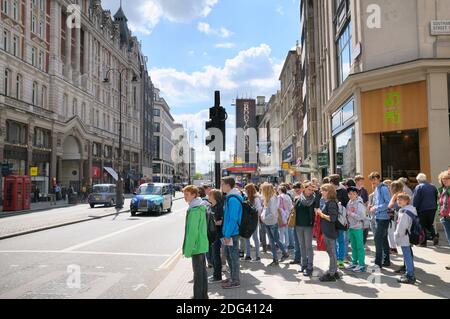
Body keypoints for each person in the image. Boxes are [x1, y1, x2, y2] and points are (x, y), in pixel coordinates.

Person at [182, 185, 209, 299]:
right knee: (202, 272)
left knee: (198, 274)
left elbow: (192, 233)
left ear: (194, 195)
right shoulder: (201, 206)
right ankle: (204, 295)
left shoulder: (194, 210)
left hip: (196, 246)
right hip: (202, 244)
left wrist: (187, 251)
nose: (184, 197)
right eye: (184, 194)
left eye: (187, 194)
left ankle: (198, 297)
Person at [221, 177, 243, 289]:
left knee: (233, 257)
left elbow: (233, 218)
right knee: (229, 256)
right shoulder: (230, 197)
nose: (221, 186)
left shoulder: (232, 199)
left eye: (222, 184)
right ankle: (233, 277)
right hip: (231, 232)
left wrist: (227, 234)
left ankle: (235, 280)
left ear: (228, 185)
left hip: (232, 233)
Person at [260, 182, 289, 266]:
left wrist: (263, 218)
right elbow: (266, 210)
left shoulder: (272, 198)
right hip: (268, 222)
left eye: (263, 189)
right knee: (273, 241)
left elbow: (273, 212)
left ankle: (282, 254)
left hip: (272, 222)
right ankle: (276, 258)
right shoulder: (268, 198)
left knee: (275, 240)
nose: (261, 191)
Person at [316, 183, 339, 282]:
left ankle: (332, 273)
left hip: (330, 231)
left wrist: (321, 214)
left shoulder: (332, 203)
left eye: (323, 190)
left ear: (328, 192)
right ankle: (334, 271)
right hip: (328, 230)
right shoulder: (328, 202)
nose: (321, 192)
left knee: (331, 252)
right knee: (331, 251)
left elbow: (332, 218)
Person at [368, 172, 392, 269]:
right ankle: (386, 260)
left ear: (378, 178)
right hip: (379, 217)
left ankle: (378, 263)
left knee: (378, 239)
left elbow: (388, 203)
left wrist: (376, 208)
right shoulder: (377, 188)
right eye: (372, 180)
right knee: (383, 239)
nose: (373, 181)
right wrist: (373, 207)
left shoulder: (383, 188)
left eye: (374, 179)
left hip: (383, 218)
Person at [394, 193, 417, 284]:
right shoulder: (410, 209)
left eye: (401, 199)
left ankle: (410, 275)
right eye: (398, 199)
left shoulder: (404, 212)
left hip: (404, 236)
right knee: (408, 255)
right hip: (409, 235)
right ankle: (409, 272)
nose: (399, 201)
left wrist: (396, 236)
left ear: (407, 201)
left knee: (407, 255)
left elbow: (401, 227)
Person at [295, 182, 316, 276]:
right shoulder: (298, 198)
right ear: (304, 189)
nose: (311, 191)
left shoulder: (314, 199)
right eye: (309, 189)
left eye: (312, 190)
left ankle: (310, 267)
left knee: (309, 247)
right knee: (301, 246)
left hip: (309, 225)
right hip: (298, 225)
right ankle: (303, 265)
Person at [413, 173, 439, 247]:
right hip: (432, 208)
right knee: (429, 224)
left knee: (422, 225)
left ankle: (423, 242)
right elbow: (436, 196)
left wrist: (414, 208)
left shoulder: (419, 187)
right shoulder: (433, 186)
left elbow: (416, 199)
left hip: (422, 209)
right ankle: (434, 236)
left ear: (418, 180)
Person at [329, 174, 349, 268]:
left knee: (340, 240)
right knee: (334, 240)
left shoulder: (343, 191)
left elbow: (346, 204)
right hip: (331, 219)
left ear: (332, 182)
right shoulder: (329, 190)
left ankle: (340, 259)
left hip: (340, 219)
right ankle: (335, 259)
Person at [345, 187, 367, 272]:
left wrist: (351, 214)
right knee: (353, 246)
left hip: (358, 227)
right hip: (351, 227)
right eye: (350, 194)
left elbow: (362, 217)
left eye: (354, 194)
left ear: (357, 194)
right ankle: (354, 262)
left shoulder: (359, 203)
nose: (351, 195)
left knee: (359, 247)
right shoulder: (349, 202)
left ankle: (361, 265)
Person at [208, 189, 224, 283]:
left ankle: (217, 277)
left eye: (210, 194)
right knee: (213, 256)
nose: (208, 196)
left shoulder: (220, 207)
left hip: (218, 234)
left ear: (215, 196)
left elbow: (222, 220)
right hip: (212, 234)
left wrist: (213, 223)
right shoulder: (211, 206)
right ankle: (216, 274)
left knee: (216, 255)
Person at [243, 184, 262, 261]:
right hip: (249, 220)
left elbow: (259, 209)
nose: (245, 192)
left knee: (255, 237)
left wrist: (255, 217)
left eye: (246, 190)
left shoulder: (256, 198)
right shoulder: (249, 198)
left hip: (254, 220)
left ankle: (258, 256)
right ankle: (248, 255)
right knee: (247, 237)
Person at [437, 171, 450, 270]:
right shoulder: (442, 190)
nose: (445, 180)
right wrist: (440, 213)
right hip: (445, 218)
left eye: (447, 178)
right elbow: (440, 203)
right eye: (443, 179)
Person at [387, 181, 404, 254]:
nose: (389, 188)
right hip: (399, 215)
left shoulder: (395, 195)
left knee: (391, 232)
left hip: (394, 216)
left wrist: (392, 199)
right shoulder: (402, 194)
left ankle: (393, 248)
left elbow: (390, 206)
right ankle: (393, 247)